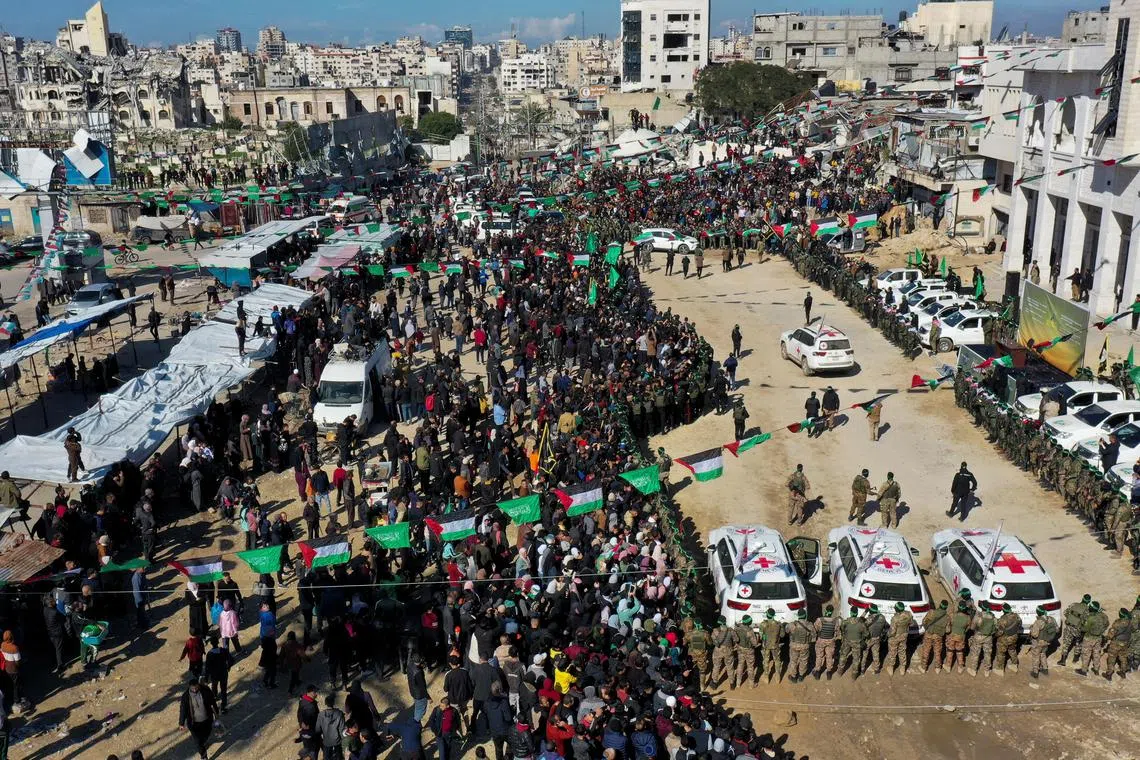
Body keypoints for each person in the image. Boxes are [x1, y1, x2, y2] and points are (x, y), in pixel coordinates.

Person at [178, 678, 218, 760]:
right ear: (189, 687)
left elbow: (212, 701)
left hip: (207, 720)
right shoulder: (185, 697)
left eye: (196, 687)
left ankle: (204, 741)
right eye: (192, 688)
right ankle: (204, 756)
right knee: (198, 741)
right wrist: (181, 723)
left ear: (198, 685)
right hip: (194, 723)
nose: (194, 689)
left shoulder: (205, 691)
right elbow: (183, 710)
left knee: (206, 735)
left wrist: (216, 711)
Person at [204, 635, 234, 713]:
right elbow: (231, 659)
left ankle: (215, 697)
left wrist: (206, 678)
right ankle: (223, 706)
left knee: (214, 686)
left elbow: (207, 667)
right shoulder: (223, 651)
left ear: (211, 643)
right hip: (223, 673)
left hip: (214, 675)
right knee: (223, 690)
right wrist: (228, 667)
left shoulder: (210, 654)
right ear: (218, 642)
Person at [1029, 606, 1059, 678]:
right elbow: (1057, 630)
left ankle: (1035, 672)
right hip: (1047, 641)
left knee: (1036, 656)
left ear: (1038, 612)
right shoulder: (1052, 619)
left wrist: (1031, 628)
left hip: (1039, 642)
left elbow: (1035, 635)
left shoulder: (1038, 622)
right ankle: (1045, 669)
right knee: (1043, 654)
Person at [429, 696, 462, 760]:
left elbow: (458, 721)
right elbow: (431, 720)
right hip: (439, 734)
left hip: (449, 734)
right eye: (440, 705)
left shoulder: (454, 711)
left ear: (448, 706)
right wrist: (435, 731)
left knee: (447, 749)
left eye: (442, 706)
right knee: (442, 752)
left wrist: (454, 730)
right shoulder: (437, 709)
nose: (440, 707)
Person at [316, 693, 347, 760]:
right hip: (337, 741)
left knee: (327, 758)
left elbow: (318, 730)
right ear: (333, 703)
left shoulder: (321, 715)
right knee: (339, 757)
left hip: (326, 742)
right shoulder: (339, 714)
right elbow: (342, 729)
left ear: (325, 703)